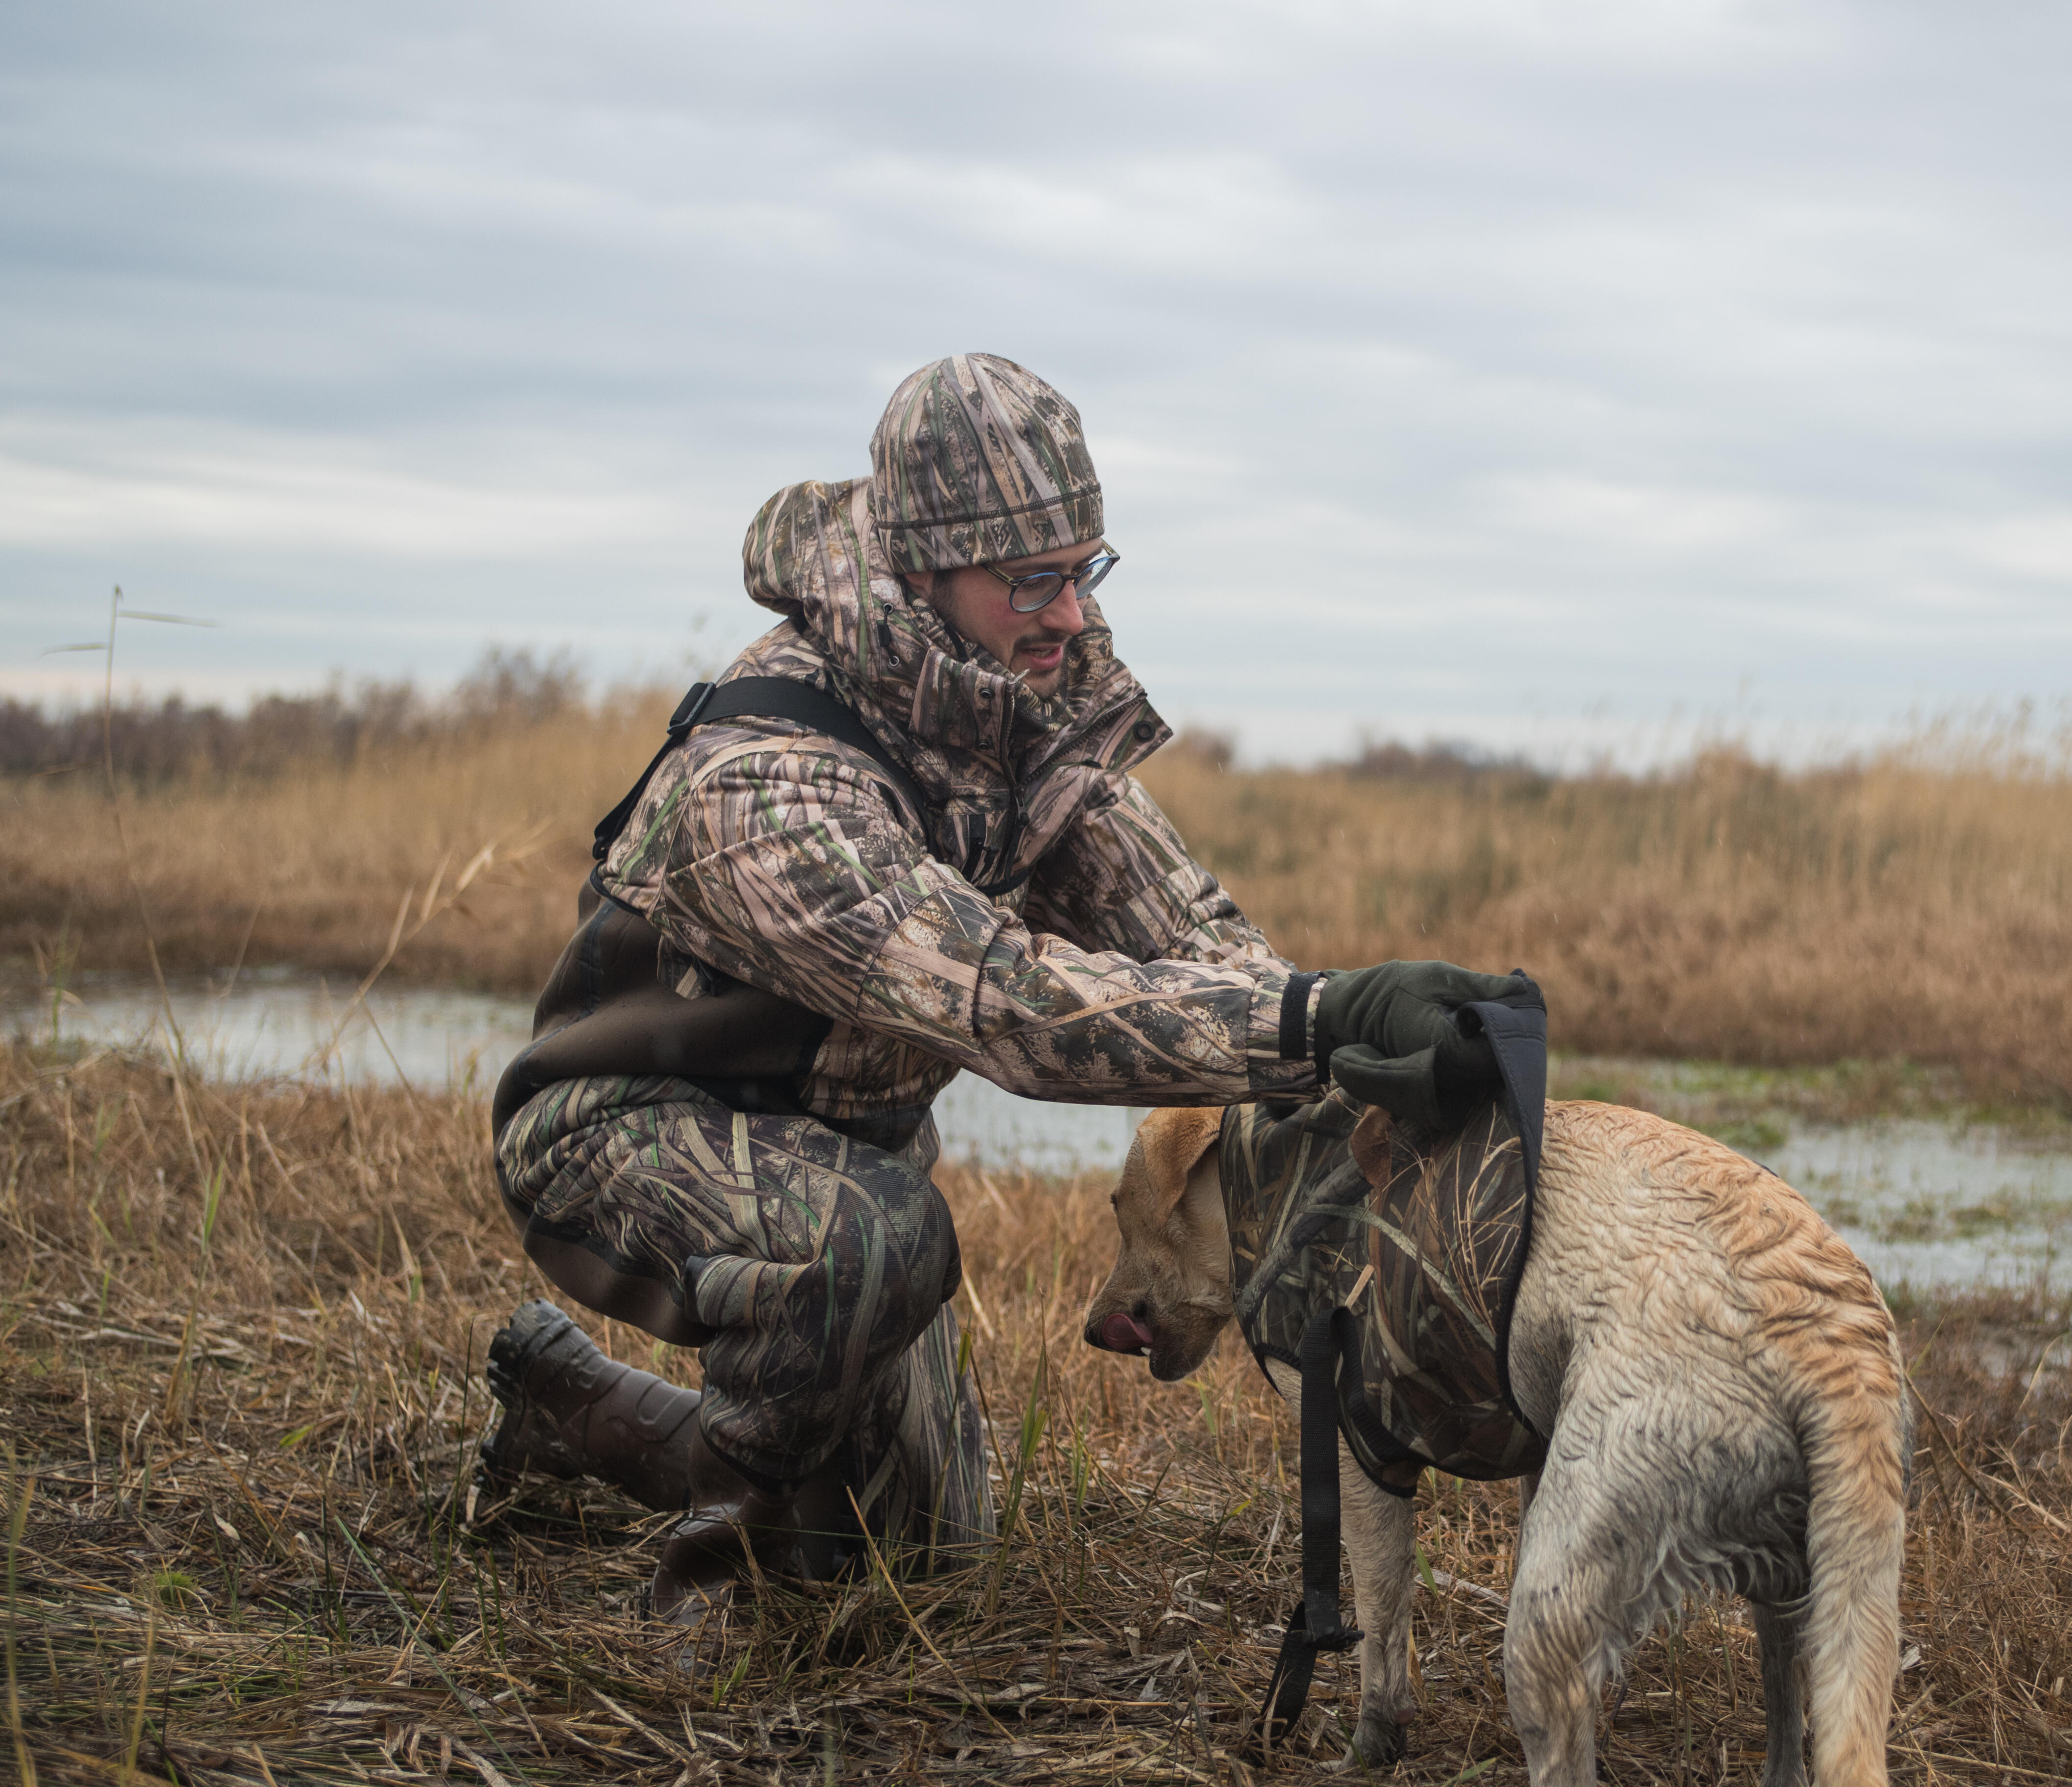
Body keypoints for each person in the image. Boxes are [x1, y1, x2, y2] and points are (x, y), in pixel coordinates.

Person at [480, 352, 1529, 1633]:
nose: (1072, 616)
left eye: (1087, 570)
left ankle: (564, 1399)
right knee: (868, 1253)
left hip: (846, 1153)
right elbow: (1010, 1007)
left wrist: (1349, 1039)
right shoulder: (768, 782)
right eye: (1033, 579)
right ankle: (724, 1618)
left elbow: (1194, 940)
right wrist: (1313, 1021)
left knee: (925, 1552)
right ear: (924, 573)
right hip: (625, 1129)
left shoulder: (1018, 706)